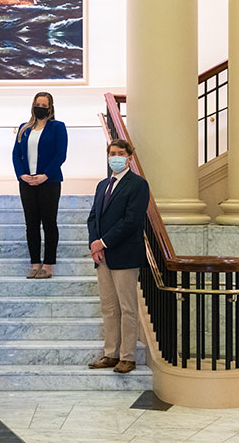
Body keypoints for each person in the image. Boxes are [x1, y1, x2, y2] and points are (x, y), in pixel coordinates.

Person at [86, 139, 149, 374]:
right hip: (102, 257)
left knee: (127, 308)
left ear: (129, 157)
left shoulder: (138, 185)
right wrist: (95, 244)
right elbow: (94, 217)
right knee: (109, 307)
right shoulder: (103, 185)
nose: (116, 157)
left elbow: (132, 220)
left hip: (125, 255)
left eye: (120, 153)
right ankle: (110, 353)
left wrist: (103, 242)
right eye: (112, 153)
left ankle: (127, 357)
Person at [12, 92, 68, 279]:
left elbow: (60, 155)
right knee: (31, 224)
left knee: (49, 223)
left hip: (49, 182)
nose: (40, 107)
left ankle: (48, 265)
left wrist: (45, 175)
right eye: (37, 104)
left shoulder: (58, 127)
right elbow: (16, 155)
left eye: (44, 105)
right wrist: (22, 175)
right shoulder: (24, 128)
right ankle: (35, 263)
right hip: (27, 183)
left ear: (50, 108)